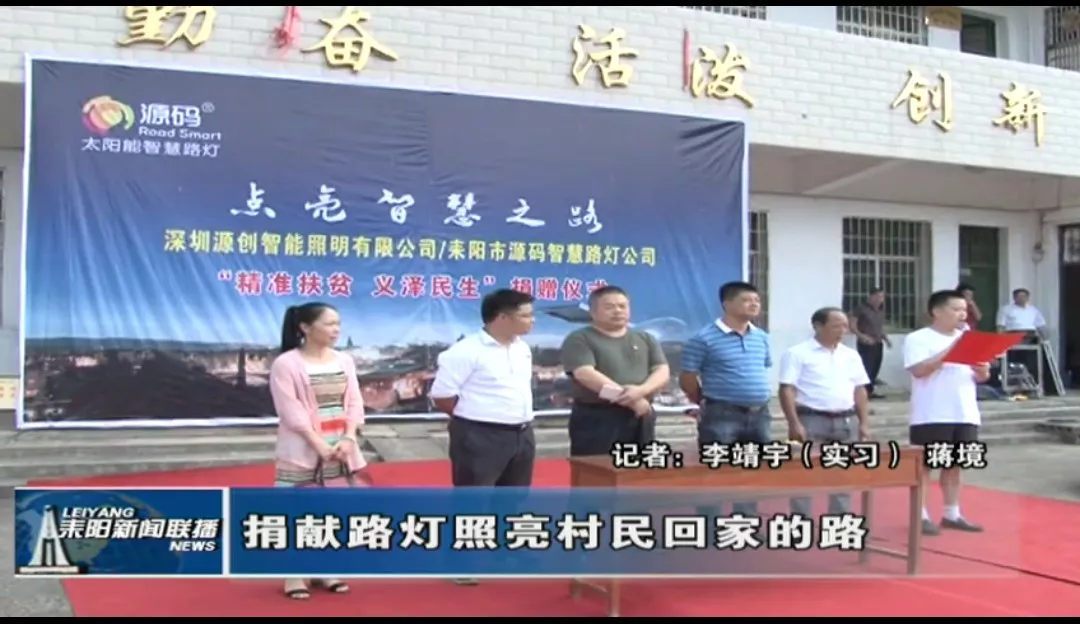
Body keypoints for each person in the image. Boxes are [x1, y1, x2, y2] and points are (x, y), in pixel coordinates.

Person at [269, 302, 366, 600]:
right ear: (305, 328)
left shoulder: (344, 360)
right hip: (303, 447)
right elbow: (290, 410)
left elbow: (354, 401)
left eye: (338, 324)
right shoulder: (286, 363)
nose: (336, 330)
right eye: (329, 324)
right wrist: (318, 444)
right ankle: (293, 573)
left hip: (340, 446)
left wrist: (349, 437)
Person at [680, 281, 771, 516]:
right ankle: (710, 524)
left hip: (759, 414)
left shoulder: (761, 337)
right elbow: (688, 377)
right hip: (722, 414)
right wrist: (703, 401)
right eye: (746, 300)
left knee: (751, 470)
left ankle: (745, 522)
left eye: (756, 300)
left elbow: (762, 369)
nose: (754, 304)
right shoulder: (703, 338)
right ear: (727, 304)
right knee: (714, 471)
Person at [904, 289, 988, 535]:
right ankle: (920, 516)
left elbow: (982, 376)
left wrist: (981, 369)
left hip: (964, 412)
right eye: (956, 309)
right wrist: (953, 350)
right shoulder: (919, 339)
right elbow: (919, 371)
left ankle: (952, 514)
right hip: (932, 413)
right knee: (926, 466)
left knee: (955, 465)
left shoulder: (969, 338)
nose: (962, 314)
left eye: (964, 310)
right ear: (937, 312)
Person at [778, 307, 870, 517]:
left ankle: (839, 519)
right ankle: (801, 521)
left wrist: (864, 423)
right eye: (836, 326)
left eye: (845, 326)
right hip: (811, 419)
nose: (842, 330)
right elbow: (787, 389)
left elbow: (860, 390)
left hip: (845, 420)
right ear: (818, 326)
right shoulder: (797, 353)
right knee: (804, 473)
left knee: (843, 475)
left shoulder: (851, 355)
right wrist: (793, 422)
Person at [560, 285, 670, 456]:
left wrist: (641, 391)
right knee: (598, 468)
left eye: (622, 306)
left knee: (641, 467)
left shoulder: (645, 338)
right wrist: (631, 400)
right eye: (609, 307)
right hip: (599, 418)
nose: (618, 311)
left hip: (641, 413)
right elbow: (585, 374)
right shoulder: (580, 338)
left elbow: (662, 369)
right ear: (593, 312)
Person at [852, 287, 890, 399]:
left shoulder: (880, 311)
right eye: (878, 296)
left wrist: (886, 339)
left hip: (878, 343)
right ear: (871, 296)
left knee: (875, 368)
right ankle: (862, 393)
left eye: (882, 297)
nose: (880, 299)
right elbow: (852, 325)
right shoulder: (861, 309)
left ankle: (869, 391)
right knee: (866, 368)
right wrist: (861, 336)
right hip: (866, 344)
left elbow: (880, 327)